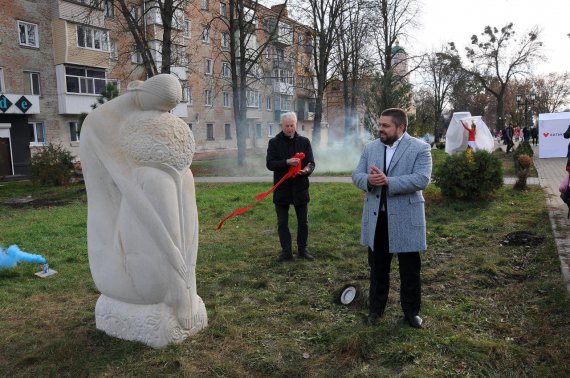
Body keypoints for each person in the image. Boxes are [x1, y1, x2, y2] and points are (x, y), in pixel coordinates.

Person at [352, 108, 432, 329]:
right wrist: (368, 180)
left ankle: (411, 312)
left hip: (406, 219)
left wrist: (389, 182)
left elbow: (422, 179)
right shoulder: (370, 148)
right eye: (380, 124)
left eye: (386, 125)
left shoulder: (420, 148)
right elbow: (356, 175)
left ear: (401, 127)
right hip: (377, 219)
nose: (380, 129)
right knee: (377, 269)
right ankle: (375, 310)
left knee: (410, 270)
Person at [266, 112, 316, 262]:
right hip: (282, 189)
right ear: (282, 126)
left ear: (296, 124)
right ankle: (286, 252)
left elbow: (311, 163)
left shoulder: (304, 142)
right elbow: (270, 164)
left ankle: (303, 249)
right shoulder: (274, 142)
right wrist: (287, 162)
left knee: (303, 222)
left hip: (300, 188)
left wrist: (306, 170)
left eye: (292, 125)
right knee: (282, 223)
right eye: (286, 126)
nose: (289, 129)